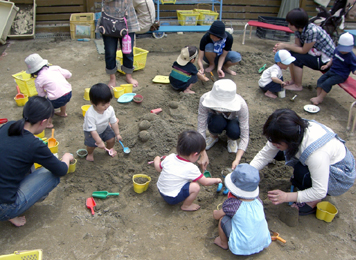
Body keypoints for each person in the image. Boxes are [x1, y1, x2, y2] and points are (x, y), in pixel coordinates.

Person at [250, 109, 356, 215]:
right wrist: (248, 170)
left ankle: (312, 203)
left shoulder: (316, 154)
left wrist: (286, 196)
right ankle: (303, 182)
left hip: (340, 175)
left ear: (289, 140)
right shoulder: (293, 129)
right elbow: (266, 154)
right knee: (277, 152)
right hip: (319, 161)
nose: (272, 143)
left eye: (276, 142)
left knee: (302, 171)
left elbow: (319, 191)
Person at [0, 96, 74, 227]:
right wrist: (66, 157)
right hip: (4, 207)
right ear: (43, 122)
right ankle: (11, 213)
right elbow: (61, 170)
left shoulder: (9, 126)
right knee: (50, 172)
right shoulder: (34, 145)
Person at [154, 130, 222, 211]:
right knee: (195, 187)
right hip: (172, 198)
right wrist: (217, 180)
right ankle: (186, 206)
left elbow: (158, 168)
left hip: (161, 190)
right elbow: (205, 182)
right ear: (195, 154)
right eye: (199, 155)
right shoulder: (191, 168)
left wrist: (157, 160)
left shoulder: (170, 157)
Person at [213, 164, 271, 255]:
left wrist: (215, 212)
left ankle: (223, 243)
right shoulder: (258, 201)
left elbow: (216, 216)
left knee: (222, 220)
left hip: (242, 247)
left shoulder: (233, 204)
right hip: (262, 242)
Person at [273, 8, 335, 91]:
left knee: (297, 58)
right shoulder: (299, 29)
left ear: (297, 24)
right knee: (291, 54)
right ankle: (293, 81)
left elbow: (303, 50)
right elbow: (297, 46)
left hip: (327, 61)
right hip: (316, 54)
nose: (288, 26)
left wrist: (285, 45)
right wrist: (282, 48)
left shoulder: (312, 31)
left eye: (290, 24)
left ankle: (298, 86)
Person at [197, 79, 249, 170]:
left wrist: (237, 159)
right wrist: (203, 153)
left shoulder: (241, 105)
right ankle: (213, 136)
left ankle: (231, 138)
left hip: (233, 120)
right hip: (216, 118)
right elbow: (201, 127)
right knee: (217, 122)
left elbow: (245, 135)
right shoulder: (204, 99)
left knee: (235, 131)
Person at [25, 53, 72, 129]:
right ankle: (63, 113)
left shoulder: (39, 79)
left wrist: (45, 98)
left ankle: (49, 123)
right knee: (62, 97)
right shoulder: (55, 68)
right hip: (68, 92)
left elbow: (41, 95)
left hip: (57, 98)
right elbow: (69, 74)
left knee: (48, 107)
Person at [102, 0, 140, 88]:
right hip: (109, 20)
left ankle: (128, 76)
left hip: (127, 20)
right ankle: (112, 78)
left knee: (128, 51)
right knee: (110, 52)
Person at [311, 32, 356, 105]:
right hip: (332, 70)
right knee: (320, 80)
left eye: (345, 49)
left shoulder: (351, 56)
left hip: (341, 75)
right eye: (342, 49)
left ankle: (320, 98)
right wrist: (327, 65)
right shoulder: (337, 50)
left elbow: (354, 68)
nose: (343, 51)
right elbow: (333, 58)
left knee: (327, 83)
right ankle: (318, 96)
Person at [83, 83, 122, 161]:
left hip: (104, 127)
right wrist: (99, 141)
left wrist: (117, 134)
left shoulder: (110, 109)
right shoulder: (90, 114)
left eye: (108, 102)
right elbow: (93, 131)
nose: (107, 106)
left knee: (111, 139)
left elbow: (114, 122)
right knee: (91, 145)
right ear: (93, 103)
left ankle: (109, 149)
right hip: (91, 132)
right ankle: (90, 153)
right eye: (103, 104)